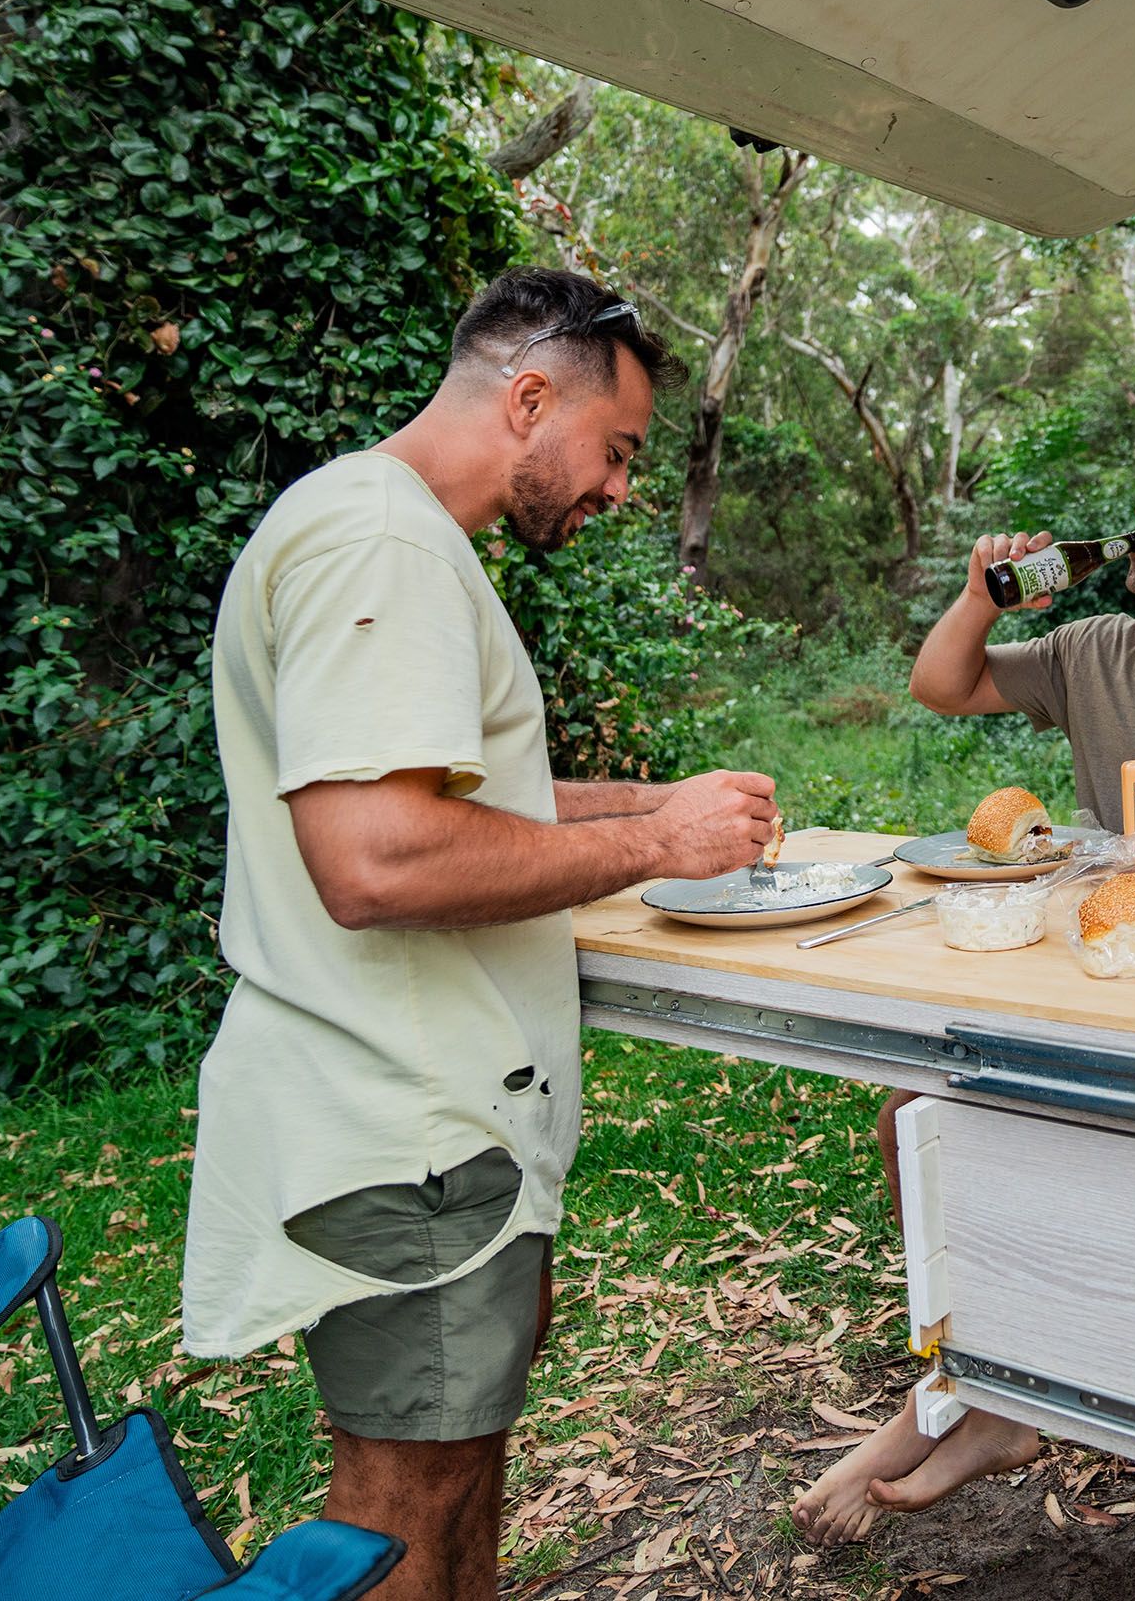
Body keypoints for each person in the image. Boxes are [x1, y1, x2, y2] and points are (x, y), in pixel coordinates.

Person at [183, 267, 782, 1601]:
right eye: (617, 451)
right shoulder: (383, 547)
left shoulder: (381, 531)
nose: (623, 490)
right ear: (527, 398)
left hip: (439, 1125)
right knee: (404, 1508)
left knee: (458, 1479)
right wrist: (651, 848)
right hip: (409, 1128)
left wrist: (652, 800)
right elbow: (379, 861)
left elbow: (451, 799)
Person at [791, 418, 1135, 1546]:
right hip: (1096, 969)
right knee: (913, 1126)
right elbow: (942, 683)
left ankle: (996, 1394)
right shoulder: (1097, 652)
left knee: (1012, 1148)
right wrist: (985, 595)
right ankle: (985, 1396)